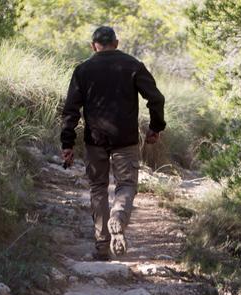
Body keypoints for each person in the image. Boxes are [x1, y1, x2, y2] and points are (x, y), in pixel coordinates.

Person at [60, 26, 166, 261]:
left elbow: (71, 110)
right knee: (126, 185)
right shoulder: (133, 65)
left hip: (94, 140)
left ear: (93, 46)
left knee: (98, 188)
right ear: (116, 43)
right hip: (125, 140)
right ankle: (118, 215)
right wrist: (155, 127)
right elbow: (156, 98)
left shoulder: (83, 70)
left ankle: (101, 246)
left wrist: (67, 143)